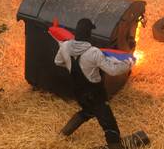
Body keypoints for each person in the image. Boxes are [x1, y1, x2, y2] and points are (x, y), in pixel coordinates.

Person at [54, 18, 134, 149]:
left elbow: (57, 61)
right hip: (95, 94)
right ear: (88, 34)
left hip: (78, 92)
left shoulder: (65, 46)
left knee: (87, 111)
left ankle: (63, 134)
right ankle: (115, 146)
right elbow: (112, 70)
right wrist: (128, 64)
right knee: (109, 124)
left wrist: (70, 66)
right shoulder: (93, 52)